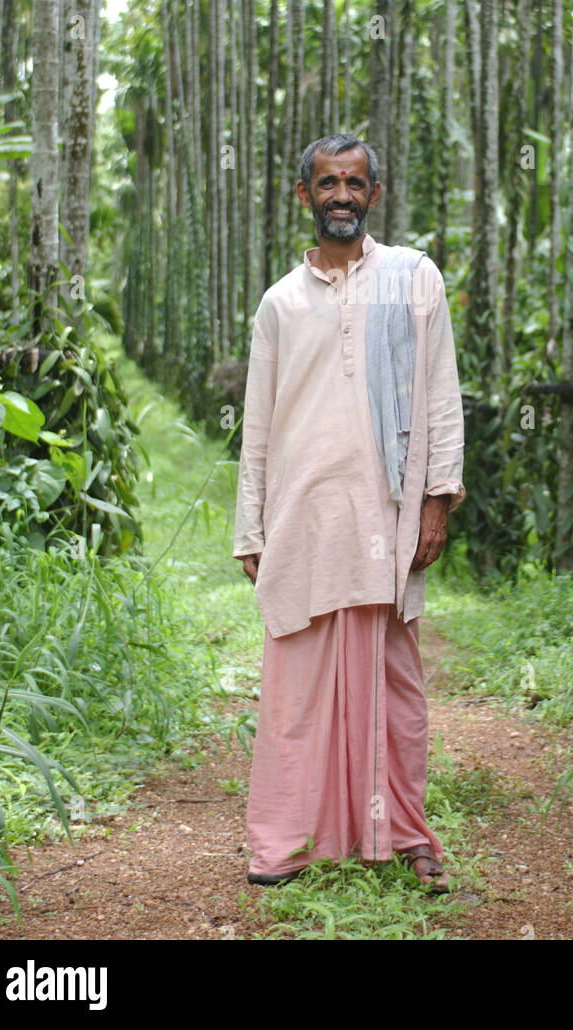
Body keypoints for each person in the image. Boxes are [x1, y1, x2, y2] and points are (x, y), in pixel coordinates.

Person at [233, 133, 465, 891]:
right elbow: (258, 424)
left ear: (374, 194)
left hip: (386, 512)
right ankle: (286, 840)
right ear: (303, 196)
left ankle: (404, 832)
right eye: (327, 183)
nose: (341, 195)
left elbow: (439, 394)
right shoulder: (279, 303)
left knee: (394, 685)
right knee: (295, 685)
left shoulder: (411, 280)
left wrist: (436, 499)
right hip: (303, 515)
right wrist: (251, 524)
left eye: (354, 183)